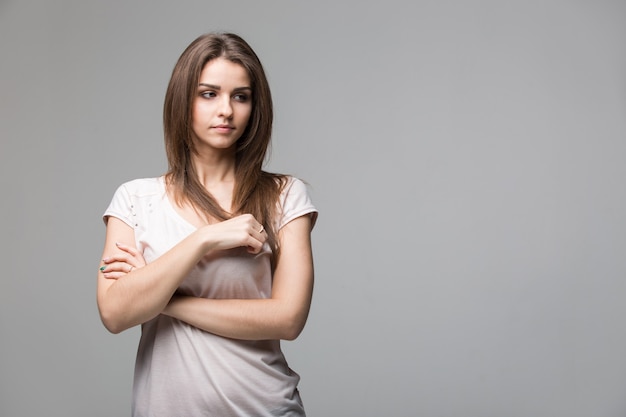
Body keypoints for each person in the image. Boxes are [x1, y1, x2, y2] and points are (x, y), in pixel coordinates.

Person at [96, 32, 318, 417]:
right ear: (183, 100)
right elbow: (115, 313)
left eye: (241, 96)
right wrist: (204, 239)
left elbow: (288, 318)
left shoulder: (284, 195)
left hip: (264, 408)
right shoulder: (135, 200)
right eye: (208, 93)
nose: (226, 111)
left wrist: (164, 300)